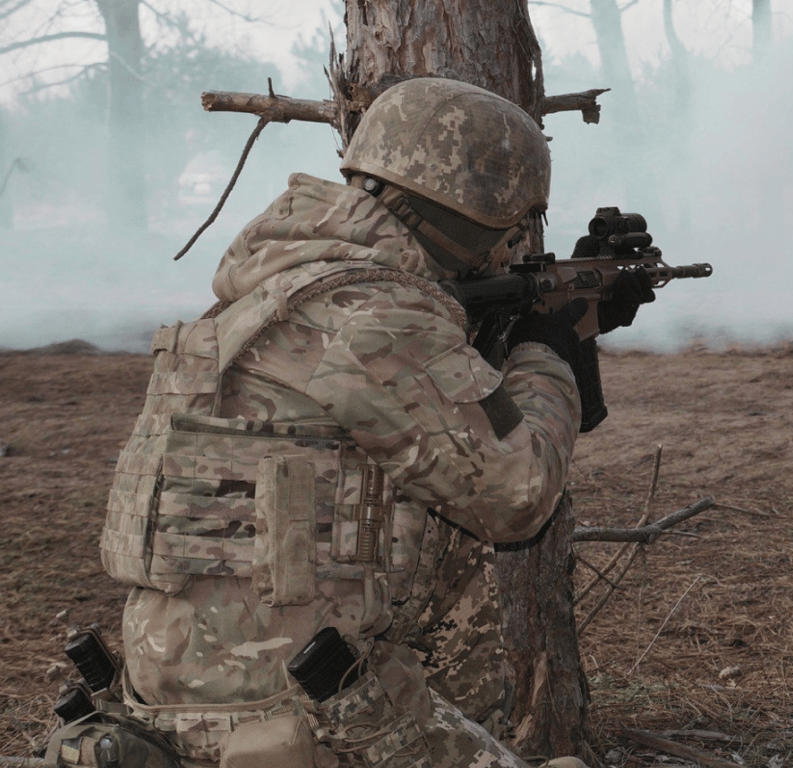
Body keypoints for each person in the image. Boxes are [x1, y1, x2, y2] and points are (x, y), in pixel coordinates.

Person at [87, 77, 647, 768]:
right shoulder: (378, 317)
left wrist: (546, 320)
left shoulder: (269, 291)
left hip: (160, 694)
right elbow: (517, 492)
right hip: (303, 706)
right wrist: (551, 352)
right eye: (511, 228)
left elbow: (416, 424)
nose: (508, 246)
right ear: (482, 207)